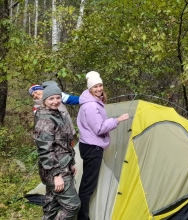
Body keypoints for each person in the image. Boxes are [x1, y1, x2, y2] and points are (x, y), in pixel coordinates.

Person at [76, 71, 129, 220]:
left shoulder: (90, 102)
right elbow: (99, 128)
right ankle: (82, 217)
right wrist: (117, 120)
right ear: (90, 89)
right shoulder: (91, 106)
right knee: (88, 186)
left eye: (100, 85)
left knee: (87, 182)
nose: (99, 89)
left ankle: (81, 213)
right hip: (92, 148)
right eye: (95, 86)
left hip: (89, 146)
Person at [33, 82, 80, 219]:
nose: (55, 101)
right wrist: (56, 175)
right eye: (51, 99)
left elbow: (63, 144)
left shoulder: (57, 114)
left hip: (63, 165)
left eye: (58, 98)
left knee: (52, 207)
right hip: (55, 170)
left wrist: (71, 162)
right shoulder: (45, 120)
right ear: (45, 100)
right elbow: (45, 151)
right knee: (73, 206)